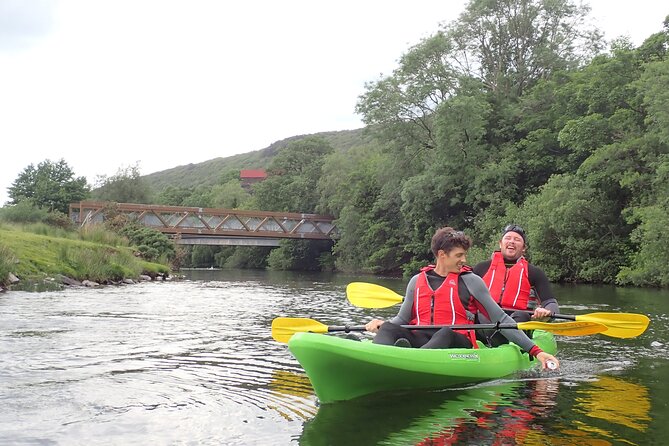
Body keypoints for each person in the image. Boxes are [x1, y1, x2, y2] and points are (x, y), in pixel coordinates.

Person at [365, 226, 559, 370]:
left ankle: (405, 363)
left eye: (464, 255)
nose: (464, 260)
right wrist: (382, 323)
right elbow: (402, 320)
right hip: (423, 339)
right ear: (442, 255)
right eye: (459, 255)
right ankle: (375, 364)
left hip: (457, 342)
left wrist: (536, 351)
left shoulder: (471, 281)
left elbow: (501, 319)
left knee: (445, 332)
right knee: (391, 327)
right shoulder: (416, 281)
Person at [472, 224, 559, 346]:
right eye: (508, 238)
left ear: (524, 248)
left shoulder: (535, 273)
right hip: (485, 325)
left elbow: (550, 303)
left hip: (518, 325)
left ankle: (506, 343)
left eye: (517, 239)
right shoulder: (481, 268)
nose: (512, 242)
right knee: (477, 314)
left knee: (521, 315)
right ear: (500, 243)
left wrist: (546, 312)